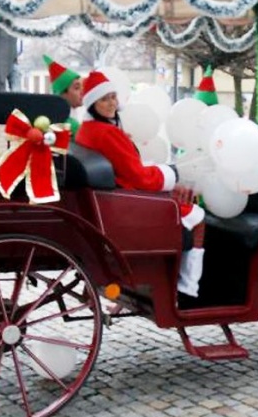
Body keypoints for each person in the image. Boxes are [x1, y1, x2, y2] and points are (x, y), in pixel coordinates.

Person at [75, 71, 206, 300]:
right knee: (198, 217)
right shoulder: (108, 133)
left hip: (114, 199)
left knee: (179, 202)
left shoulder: (87, 131)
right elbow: (140, 178)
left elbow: (129, 168)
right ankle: (188, 288)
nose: (112, 103)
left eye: (113, 97)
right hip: (128, 204)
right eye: (104, 99)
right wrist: (171, 174)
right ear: (92, 104)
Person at [43, 56, 84, 136]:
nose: (82, 92)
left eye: (82, 87)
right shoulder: (69, 126)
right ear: (62, 94)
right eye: (77, 88)